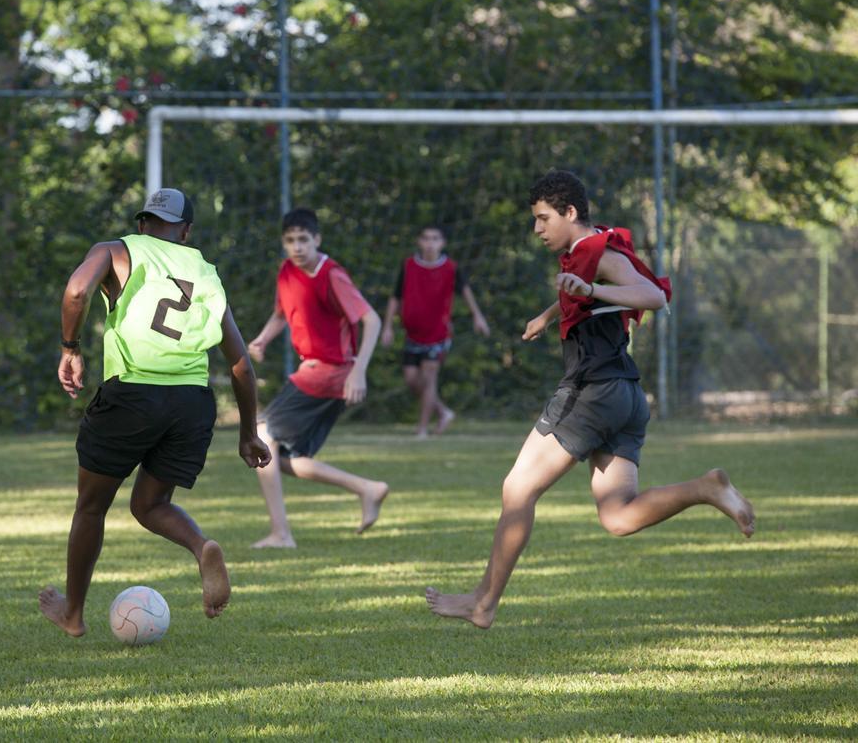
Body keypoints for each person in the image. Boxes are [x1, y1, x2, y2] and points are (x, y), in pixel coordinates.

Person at [425, 170, 755, 629]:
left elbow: (654, 296)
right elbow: (584, 294)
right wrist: (547, 315)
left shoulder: (597, 255)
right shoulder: (593, 247)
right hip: (625, 395)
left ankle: (483, 602)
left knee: (518, 489)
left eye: (543, 219)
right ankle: (705, 488)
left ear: (570, 212)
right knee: (618, 517)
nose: (537, 229)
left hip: (592, 390)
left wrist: (593, 290)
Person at [39, 188, 271, 638]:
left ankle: (74, 614)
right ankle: (201, 545)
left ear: (143, 223)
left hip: (132, 394)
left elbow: (75, 291)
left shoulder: (116, 250)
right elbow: (240, 362)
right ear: (185, 231)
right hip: (191, 403)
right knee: (150, 504)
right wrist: (248, 433)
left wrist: (71, 348)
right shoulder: (205, 271)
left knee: (91, 507)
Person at [245, 207, 390, 549]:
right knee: (280, 460)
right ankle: (367, 488)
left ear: (317, 240)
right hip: (316, 371)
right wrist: (264, 338)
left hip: (330, 372)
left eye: (303, 240)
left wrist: (358, 371)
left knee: (262, 435)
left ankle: (281, 534)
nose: (297, 247)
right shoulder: (286, 271)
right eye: (290, 241)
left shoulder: (332, 274)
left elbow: (372, 320)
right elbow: (281, 313)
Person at [381, 226, 491, 438]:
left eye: (435, 238)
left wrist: (477, 316)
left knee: (429, 377)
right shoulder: (409, 265)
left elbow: (466, 291)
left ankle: (421, 429)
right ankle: (443, 412)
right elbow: (396, 297)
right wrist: (387, 326)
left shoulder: (450, 267)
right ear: (419, 241)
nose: (430, 243)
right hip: (412, 334)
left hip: (437, 334)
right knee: (412, 380)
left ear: (443, 243)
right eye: (426, 238)